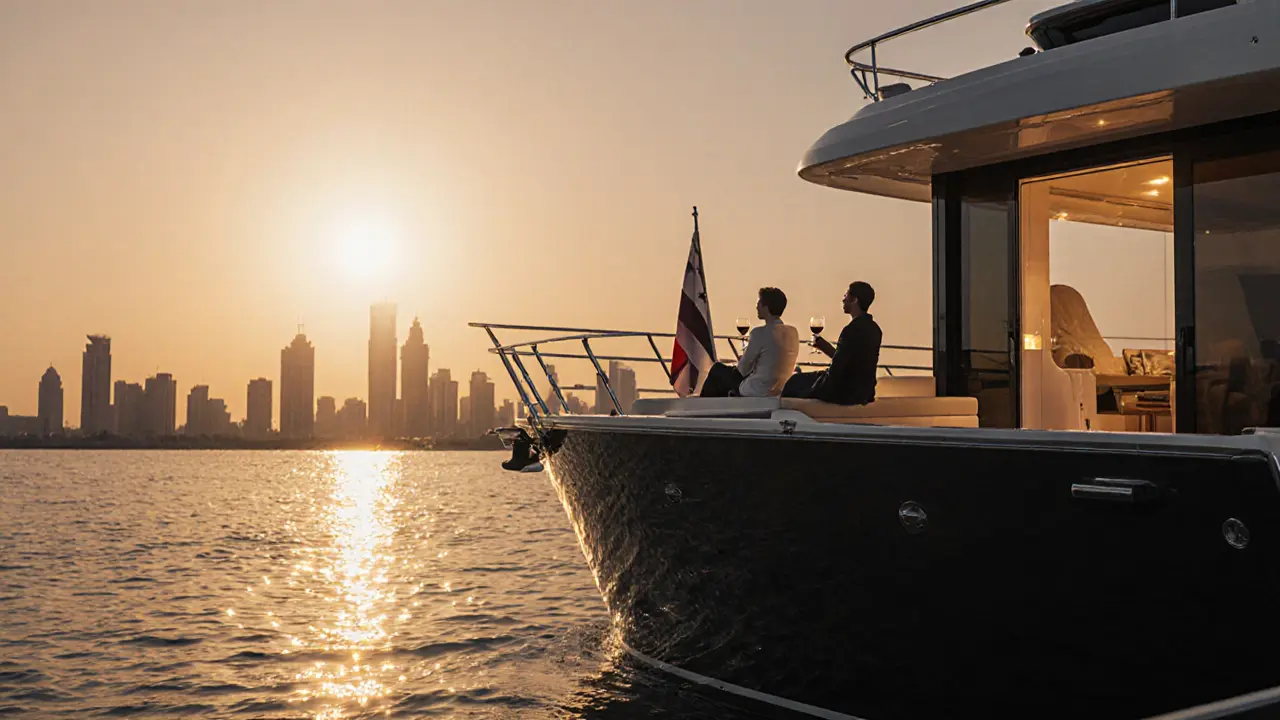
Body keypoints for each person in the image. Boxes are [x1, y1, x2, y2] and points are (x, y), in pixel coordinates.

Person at [783, 281, 882, 405]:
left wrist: (814, 391)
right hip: (865, 391)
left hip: (846, 392)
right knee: (802, 379)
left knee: (794, 382)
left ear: (855, 300)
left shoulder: (851, 330)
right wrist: (826, 348)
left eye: (846, 295)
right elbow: (853, 362)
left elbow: (836, 371)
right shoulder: (874, 329)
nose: (843, 300)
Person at [700, 287, 800, 397]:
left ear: (766, 307)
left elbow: (742, 370)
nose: (756, 306)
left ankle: (703, 407)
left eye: (759, 302)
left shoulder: (759, 333)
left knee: (717, 369)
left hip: (757, 389)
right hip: (779, 389)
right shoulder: (793, 332)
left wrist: (742, 361)